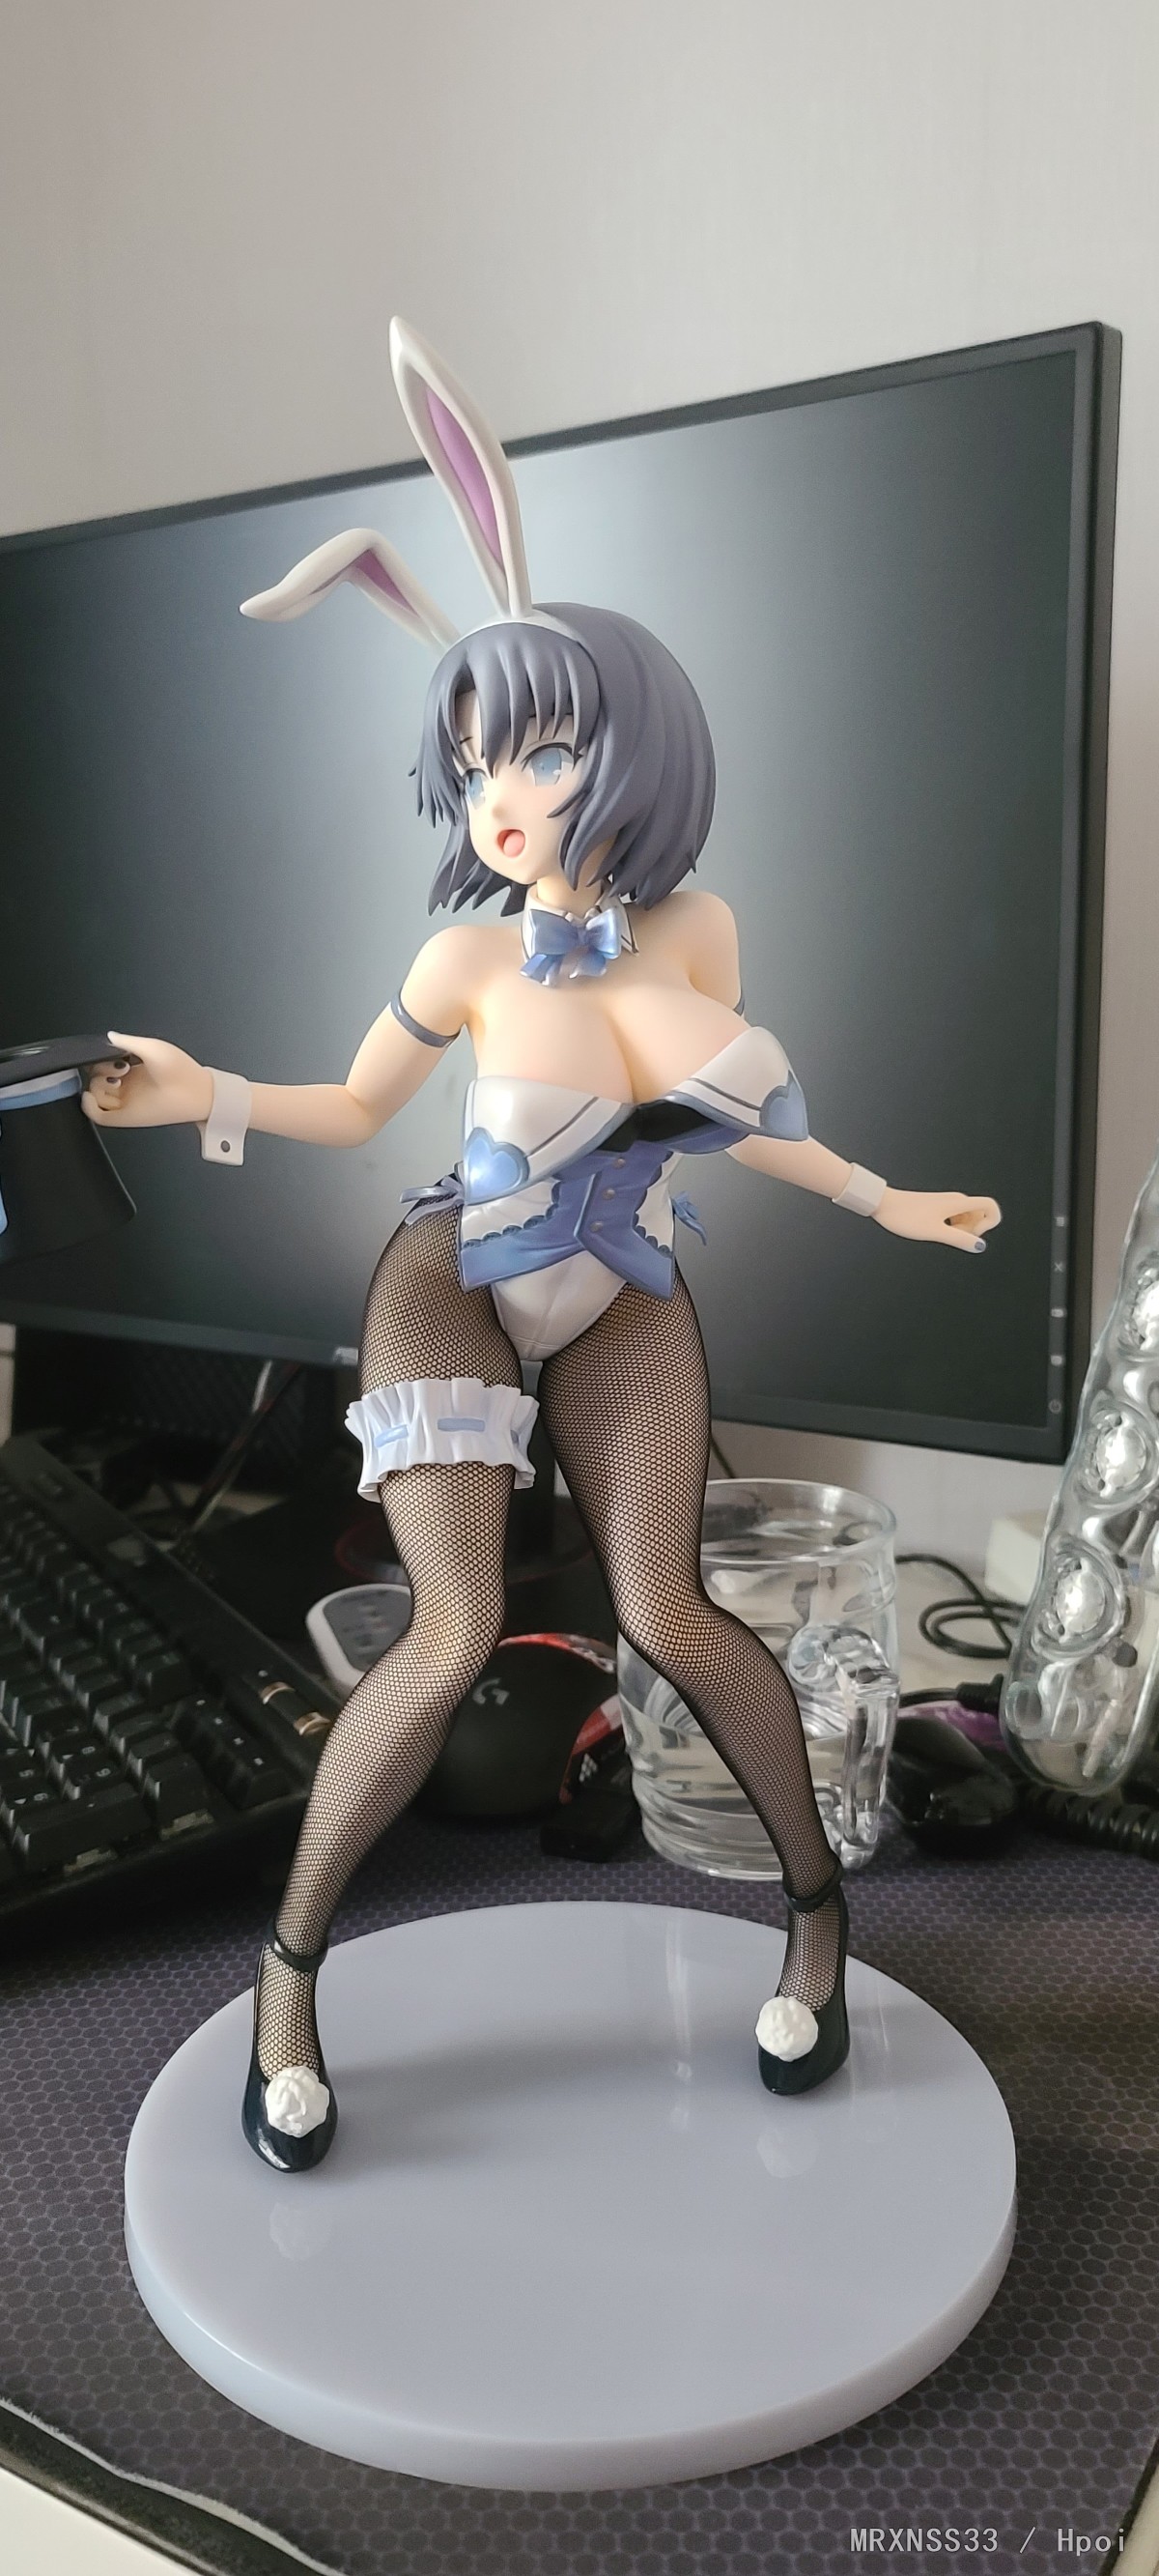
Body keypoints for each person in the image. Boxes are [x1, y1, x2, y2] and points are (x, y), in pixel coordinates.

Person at [82, 325, 1001, 2170]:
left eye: (544, 746)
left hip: (627, 1287)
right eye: (475, 755)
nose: (501, 789)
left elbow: (739, 1112)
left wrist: (878, 1195)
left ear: (631, 749)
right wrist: (202, 1096)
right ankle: (287, 1976)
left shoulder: (696, 933)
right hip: (460, 1278)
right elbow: (355, 1105)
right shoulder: (464, 956)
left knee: (672, 1612)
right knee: (452, 1633)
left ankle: (815, 1918)